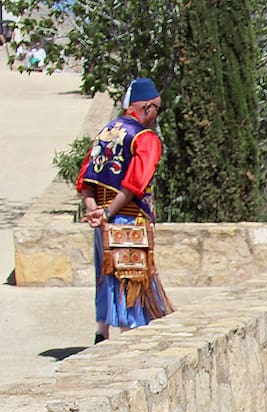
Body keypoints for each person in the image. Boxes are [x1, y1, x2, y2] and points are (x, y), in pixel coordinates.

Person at [76, 77, 173, 343]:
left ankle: (102, 330)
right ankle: (129, 334)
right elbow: (135, 183)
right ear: (148, 107)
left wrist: (94, 210)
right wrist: (108, 213)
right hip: (128, 219)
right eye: (158, 110)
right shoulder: (144, 138)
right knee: (131, 277)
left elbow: (85, 177)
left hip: (103, 221)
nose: (156, 117)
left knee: (106, 274)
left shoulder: (107, 131)